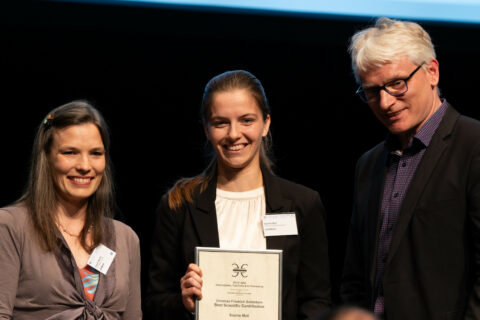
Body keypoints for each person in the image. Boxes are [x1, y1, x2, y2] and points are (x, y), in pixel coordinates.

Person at [146, 70, 331, 319]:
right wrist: (184, 302)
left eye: (246, 120)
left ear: (265, 123)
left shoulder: (302, 204)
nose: (234, 134)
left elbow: (316, 300)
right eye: (221, 122)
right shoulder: (179, 205)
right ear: (206, 128)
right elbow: (155, 301)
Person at [340, 17, 480, 319]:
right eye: (372, 92)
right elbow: (354, 274)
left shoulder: (474, 145)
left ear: (432, 72)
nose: (386, 102)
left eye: (396, 84)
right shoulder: (368, 164)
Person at [0, 101, 142, 319]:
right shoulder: (10, 226)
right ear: (46, 158)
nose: (85, 165)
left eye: (96, 153)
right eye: (70, 152)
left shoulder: (125, 238)